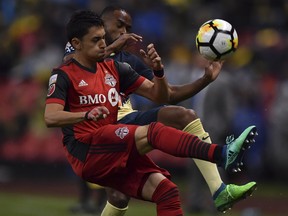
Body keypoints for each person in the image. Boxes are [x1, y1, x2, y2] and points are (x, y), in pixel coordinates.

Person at [44, 10, 257, 216]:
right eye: (97, 39)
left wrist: (160, 72)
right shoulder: (64, 73)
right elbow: (51, 117)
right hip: (87, 149)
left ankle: (219, 176)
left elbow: (163, 95)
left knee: (166, 191)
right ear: (76, 43)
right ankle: (220, 154)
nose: (104, 42)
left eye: (103, 38)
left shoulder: (118, 68)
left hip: (113, 143)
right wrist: (86, 114)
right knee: (152, 132)